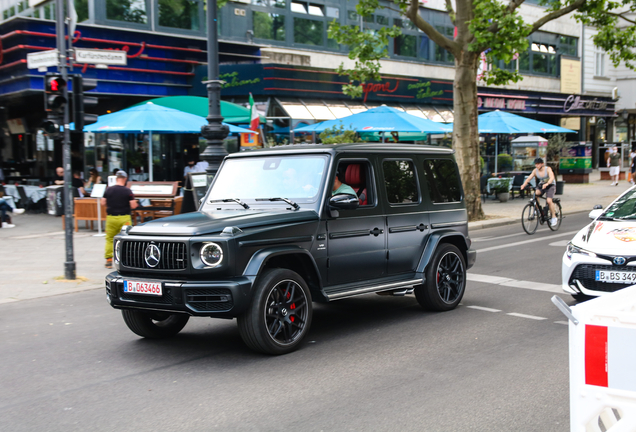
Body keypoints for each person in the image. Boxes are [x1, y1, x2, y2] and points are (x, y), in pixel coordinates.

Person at [101, 170, 138, 268]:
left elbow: (103, 203)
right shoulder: (127, 191)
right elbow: (133, 205)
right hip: (124, 218)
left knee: (109, 239)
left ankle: (108, 260)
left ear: (116, 178)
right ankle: (126, 260)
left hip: (111, 218)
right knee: (126, 239)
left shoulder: (108, 190)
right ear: (125, 179)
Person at [520, 157, 558, 227]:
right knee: (535, 194)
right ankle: (537, 209)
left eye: (538, 164)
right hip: (542, 185)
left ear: (542, 164)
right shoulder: (535, 171)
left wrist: (547, 183)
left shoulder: (548, 169)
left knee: (549, 201)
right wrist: (523, 185)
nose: (536, 165)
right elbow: (529, 178)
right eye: (536, 164)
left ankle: (554, 217)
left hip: (550, 185)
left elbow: (552, 177)